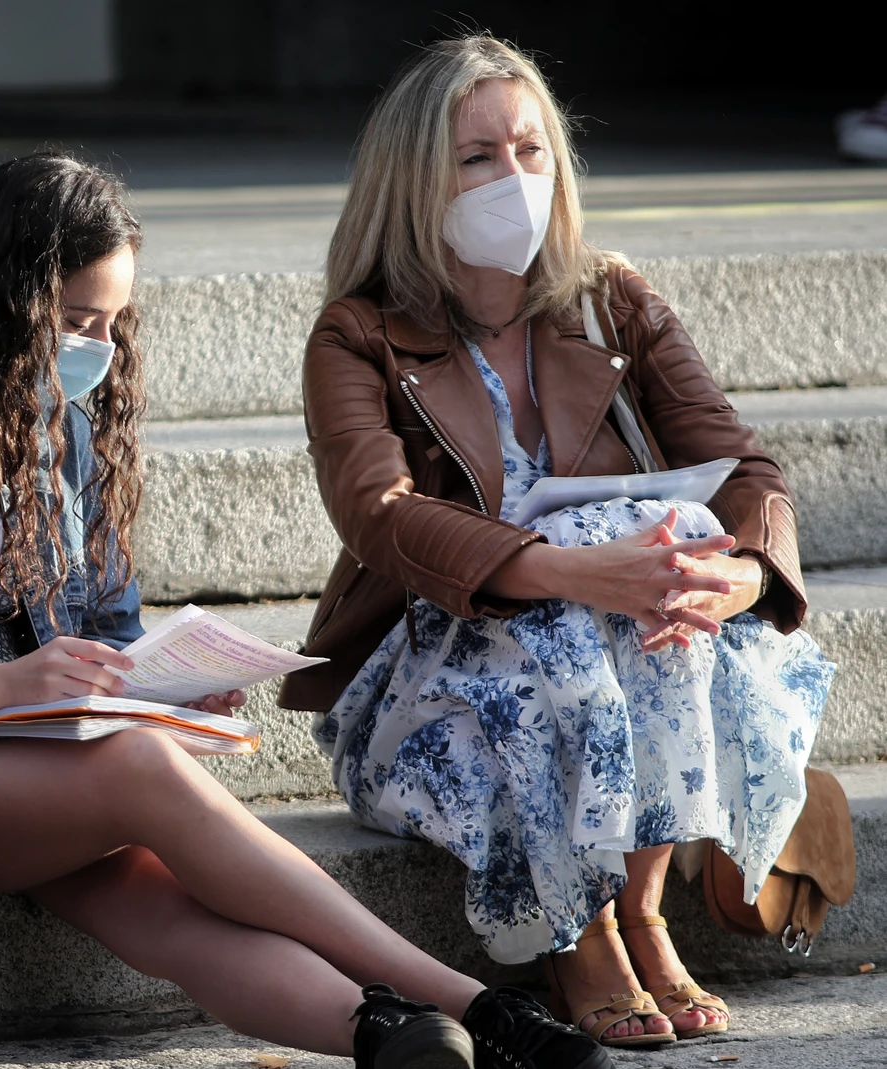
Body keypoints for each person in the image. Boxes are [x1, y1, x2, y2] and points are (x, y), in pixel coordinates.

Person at [0, 151, 612, 1069]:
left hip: (25, 751)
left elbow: (102, 621)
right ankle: (479, 1007)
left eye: (110, 324)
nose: (94, 351)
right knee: (139, 770)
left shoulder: (50, 416)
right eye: (72, 321)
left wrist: (160, 680)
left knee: (148, 895)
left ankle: (388, 1034)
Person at [283, 35, 837, 1050]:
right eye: (477, 157)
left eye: (530, 150)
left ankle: (638, 909)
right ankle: (577, 930)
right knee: (604, 543)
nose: (514, 178)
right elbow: (380, 513)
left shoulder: (614, 300)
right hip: (432, 691)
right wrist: (581, 570)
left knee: (665, 554)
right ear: (414, 181)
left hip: (625, 666)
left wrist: (728, 577)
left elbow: (748, 473)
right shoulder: (357, 333)